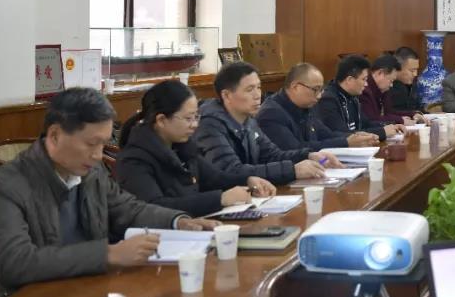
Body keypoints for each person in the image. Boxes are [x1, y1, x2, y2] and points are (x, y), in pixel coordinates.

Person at [0, 88, 216, 297]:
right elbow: (17, 263)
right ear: (54, 136)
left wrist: (178, 221)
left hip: (75, 290)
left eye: (104, 144)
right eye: (91, 144)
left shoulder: (90, 173)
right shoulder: (3, 188)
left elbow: (127, 208)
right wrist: (109, 254)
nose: (98, 155)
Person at [117, 80, 278, 217]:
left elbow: (215, 178)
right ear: (161, 120)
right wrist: (220, 199)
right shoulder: (134, 160)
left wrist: (248, 181)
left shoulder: (182, 148)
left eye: (196, 117)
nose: (195, 125)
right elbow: (155, 207)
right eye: (188, 118)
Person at [195, 62, 340, 185]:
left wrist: (308, 156)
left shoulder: (249, 121)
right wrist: (292, 170)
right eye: (249, 89)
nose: (257, 95)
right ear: (226, 95)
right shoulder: (209, 125)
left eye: (258, 87)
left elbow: (272, 155)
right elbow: (232, 171)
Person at [257, 63, 379, 149]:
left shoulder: (306, 106)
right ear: (295, 87)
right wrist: (346, 142)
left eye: (321, 90)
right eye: (315, 90)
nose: (320, 96)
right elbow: (296, 149)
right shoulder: (271, 114)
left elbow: (326, 134)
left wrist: (355, 137)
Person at [317, 55, 399, 140]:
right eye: (364, 79)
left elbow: (365, 123)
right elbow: (343, 134)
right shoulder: (328, 100)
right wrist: (382, 132)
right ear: (349, 80)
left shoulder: (353, 97)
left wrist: (390, 126)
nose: (366, 84)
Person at [359, 54, 413, 126]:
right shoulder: (364, 90)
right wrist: (400, 120)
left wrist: (412, 114)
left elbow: (389, 112)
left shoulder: (382, 89)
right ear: (380, 73)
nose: (391, 85)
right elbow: (373, 119)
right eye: (391, 80)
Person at [388, 46, 424, 122]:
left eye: (417, 70)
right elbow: (387, 113)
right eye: (412, 70)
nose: (415, 74)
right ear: (398, 68)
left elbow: (417, 108)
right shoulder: (386, 85)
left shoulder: (412, 83)